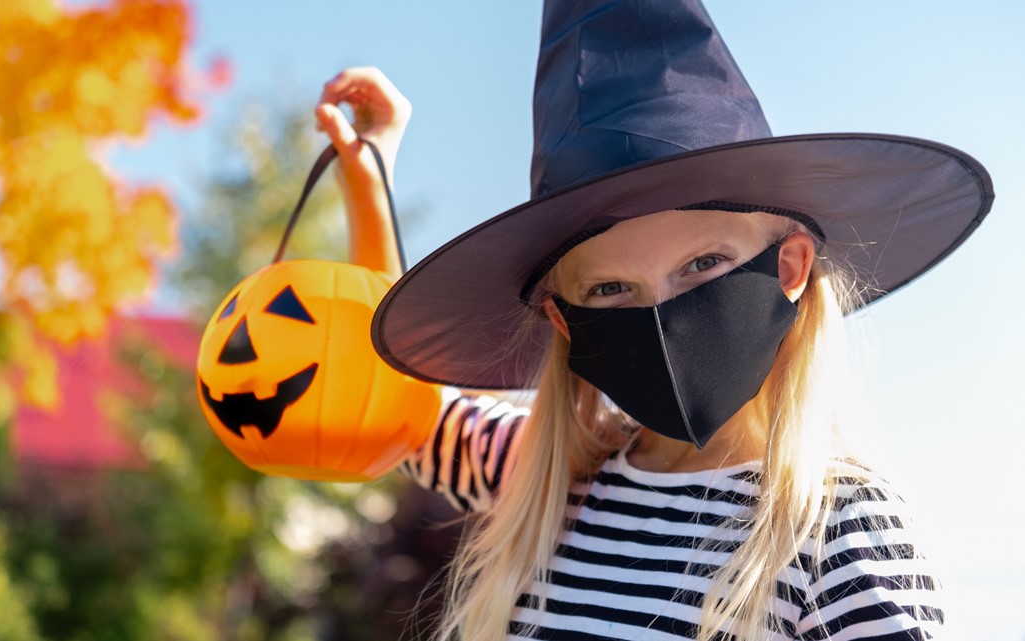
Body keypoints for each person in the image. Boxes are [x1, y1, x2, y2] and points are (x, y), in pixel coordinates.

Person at [312, 2, 992, 640]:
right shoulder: (546, 480)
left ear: (789, 266)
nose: (661, 315)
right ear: (565, 319)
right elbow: (400, 412)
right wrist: (369, 178)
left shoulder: (843, 532)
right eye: (611, 287)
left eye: (704, 264)